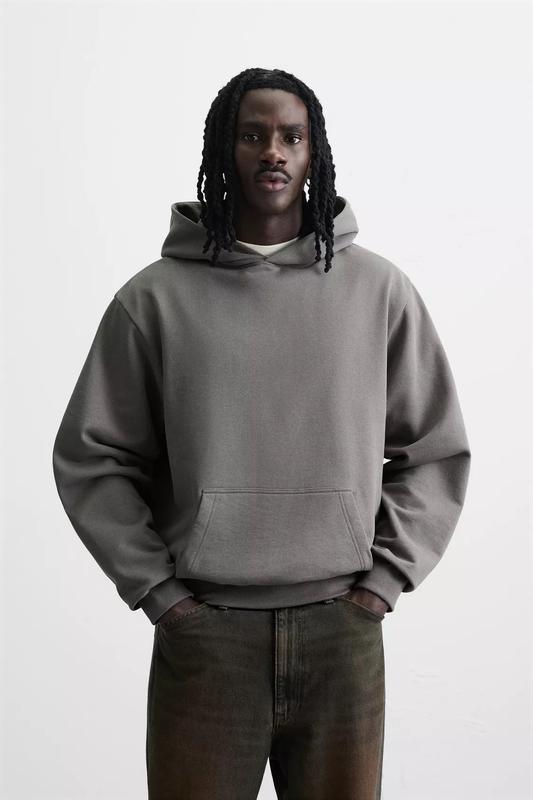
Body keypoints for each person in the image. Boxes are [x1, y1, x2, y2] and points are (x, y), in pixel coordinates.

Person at [52, 67, 471, 799]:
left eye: (291, 137)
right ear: (224, 150)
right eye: (252, 135)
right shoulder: (154, 299)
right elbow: (93, 458)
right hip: (207, 636)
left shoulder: (378, 291)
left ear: (314, 153)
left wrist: (383, 582)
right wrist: (159, 593)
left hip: (342, 631)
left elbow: (432, 448)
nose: (272, 151)